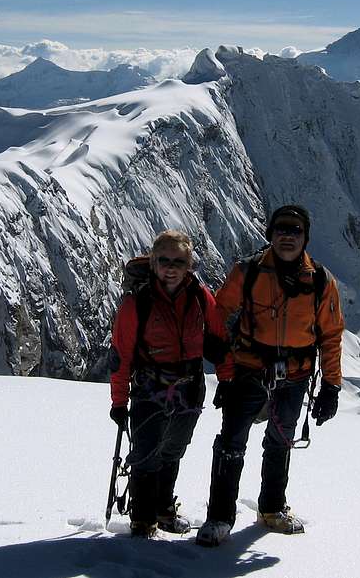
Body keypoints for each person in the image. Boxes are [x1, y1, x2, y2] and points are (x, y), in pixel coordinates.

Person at [196, 205, 344, 547]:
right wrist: (217, 346)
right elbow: (220, 309)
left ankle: (271, 508)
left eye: (295, 230)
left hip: (295, 376)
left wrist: (331, 386)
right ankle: (219, 517)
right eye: (281, 230)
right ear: (270, 234)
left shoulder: (321, 282)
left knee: (280, 442)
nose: (288, 236)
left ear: (305, 237)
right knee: (231, 442)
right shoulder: (248, 272)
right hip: (249, 370)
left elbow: (331, 335)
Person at [110, 230, 230, 538]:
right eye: (164, 260)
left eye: (179, 261)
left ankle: (161, 508)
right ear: (152, 263)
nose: (171, 267)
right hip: (149, 389)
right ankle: (142, 518)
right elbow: (121, 357)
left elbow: (219, 339)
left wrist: (227, 380)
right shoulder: (137, 304)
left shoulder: (201, 297)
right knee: (147, 452)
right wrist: (119, 402)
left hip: (189, 389)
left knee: (173, 449)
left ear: (190, 264)